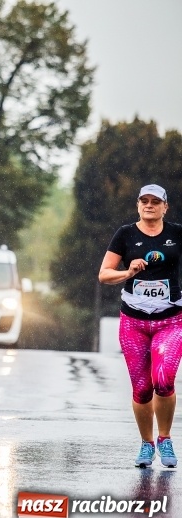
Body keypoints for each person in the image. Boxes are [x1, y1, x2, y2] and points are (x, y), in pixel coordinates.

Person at [99, 184, 181, 468]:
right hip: (133, 321)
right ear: (137, 205)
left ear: (164, 207)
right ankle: (146, 444)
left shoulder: (176, 234)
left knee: (163, 379)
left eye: (155, 202)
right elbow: (104, 274)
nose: (149, 205)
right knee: (143, 388)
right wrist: (128, 271)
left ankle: (165, 437)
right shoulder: (125, 234)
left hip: (170, 320)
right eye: (144, 201)